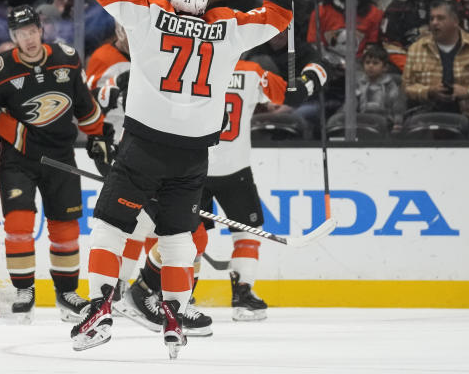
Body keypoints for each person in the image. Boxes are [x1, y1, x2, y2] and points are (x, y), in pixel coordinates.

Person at [71, 0, 300, 357]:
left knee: (112, 224)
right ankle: (173, 312)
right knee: (177, 236)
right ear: (207, 1)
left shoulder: (149, 15)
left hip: (141, 145)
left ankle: (100, 305)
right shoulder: (227, 29)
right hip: (194, 154)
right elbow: (277, 17)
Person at [123, 57, 326, 330]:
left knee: (185, 237)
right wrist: (314, 74)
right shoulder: (252, 72)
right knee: (244, 233)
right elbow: (293, 95)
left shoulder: (192, 67)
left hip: (193, 166)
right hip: (233, 169)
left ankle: (180, 296)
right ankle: (238, 294)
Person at [0, 5, 113, 321]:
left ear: (40, 30)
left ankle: (67, 294)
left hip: (61, 157)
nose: (28, 39)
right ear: (13, 37)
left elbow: (85, 106)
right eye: (21, 34)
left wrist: (98, 137)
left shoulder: (67, 58)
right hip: (18, 159)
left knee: (66, 229)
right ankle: (24, 291)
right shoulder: (0, 68)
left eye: (32, 31)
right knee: (18, 225)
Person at [403, 0, 469, 139]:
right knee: (410, 127)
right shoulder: (416, 49)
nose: (434, 22)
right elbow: (406, 87)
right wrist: (429, 91)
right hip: (429, 112)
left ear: (455, 21)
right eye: (432, 18)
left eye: (440, 18)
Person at [354, 44, 406, 132]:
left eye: (375, 63)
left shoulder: (390, 86)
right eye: (367, 62)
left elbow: (397, 109)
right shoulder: (359, 84)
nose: (370, 66)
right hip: (362, 123)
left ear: (385, 67)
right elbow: (350, 105)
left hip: (385, 125)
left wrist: (397, 124)